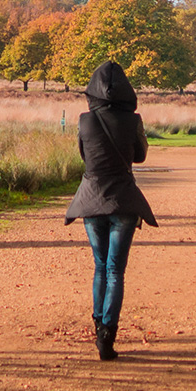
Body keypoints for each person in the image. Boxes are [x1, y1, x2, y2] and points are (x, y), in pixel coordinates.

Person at [64, 60, 156, 360]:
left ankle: (97, 324)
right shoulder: (133, 121)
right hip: (123, 201)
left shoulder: (84, 121)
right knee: (116, 270)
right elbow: (140, 156)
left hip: (91, 199)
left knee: (100, 266)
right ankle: (107, 335)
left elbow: (84, 157)